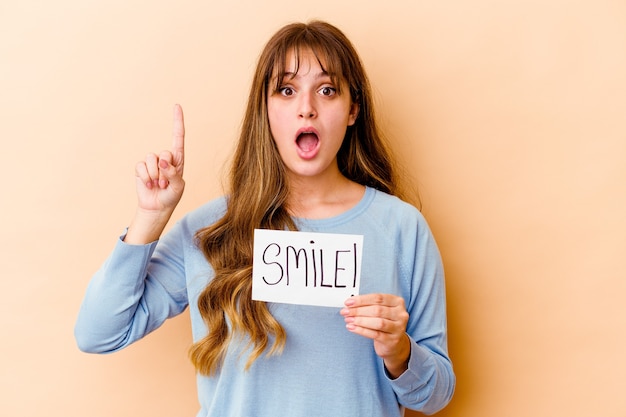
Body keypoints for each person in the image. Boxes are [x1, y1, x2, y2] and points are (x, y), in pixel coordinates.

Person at [75, 20, 455, 417]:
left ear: (352, 110)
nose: (306, 107)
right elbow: (98, 333)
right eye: (286, 90)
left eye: (327, 90)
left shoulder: (402, 229)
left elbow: (435, 396)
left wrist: (400, 352)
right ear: (266, 109)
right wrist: (150, 217)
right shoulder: (209, 231)